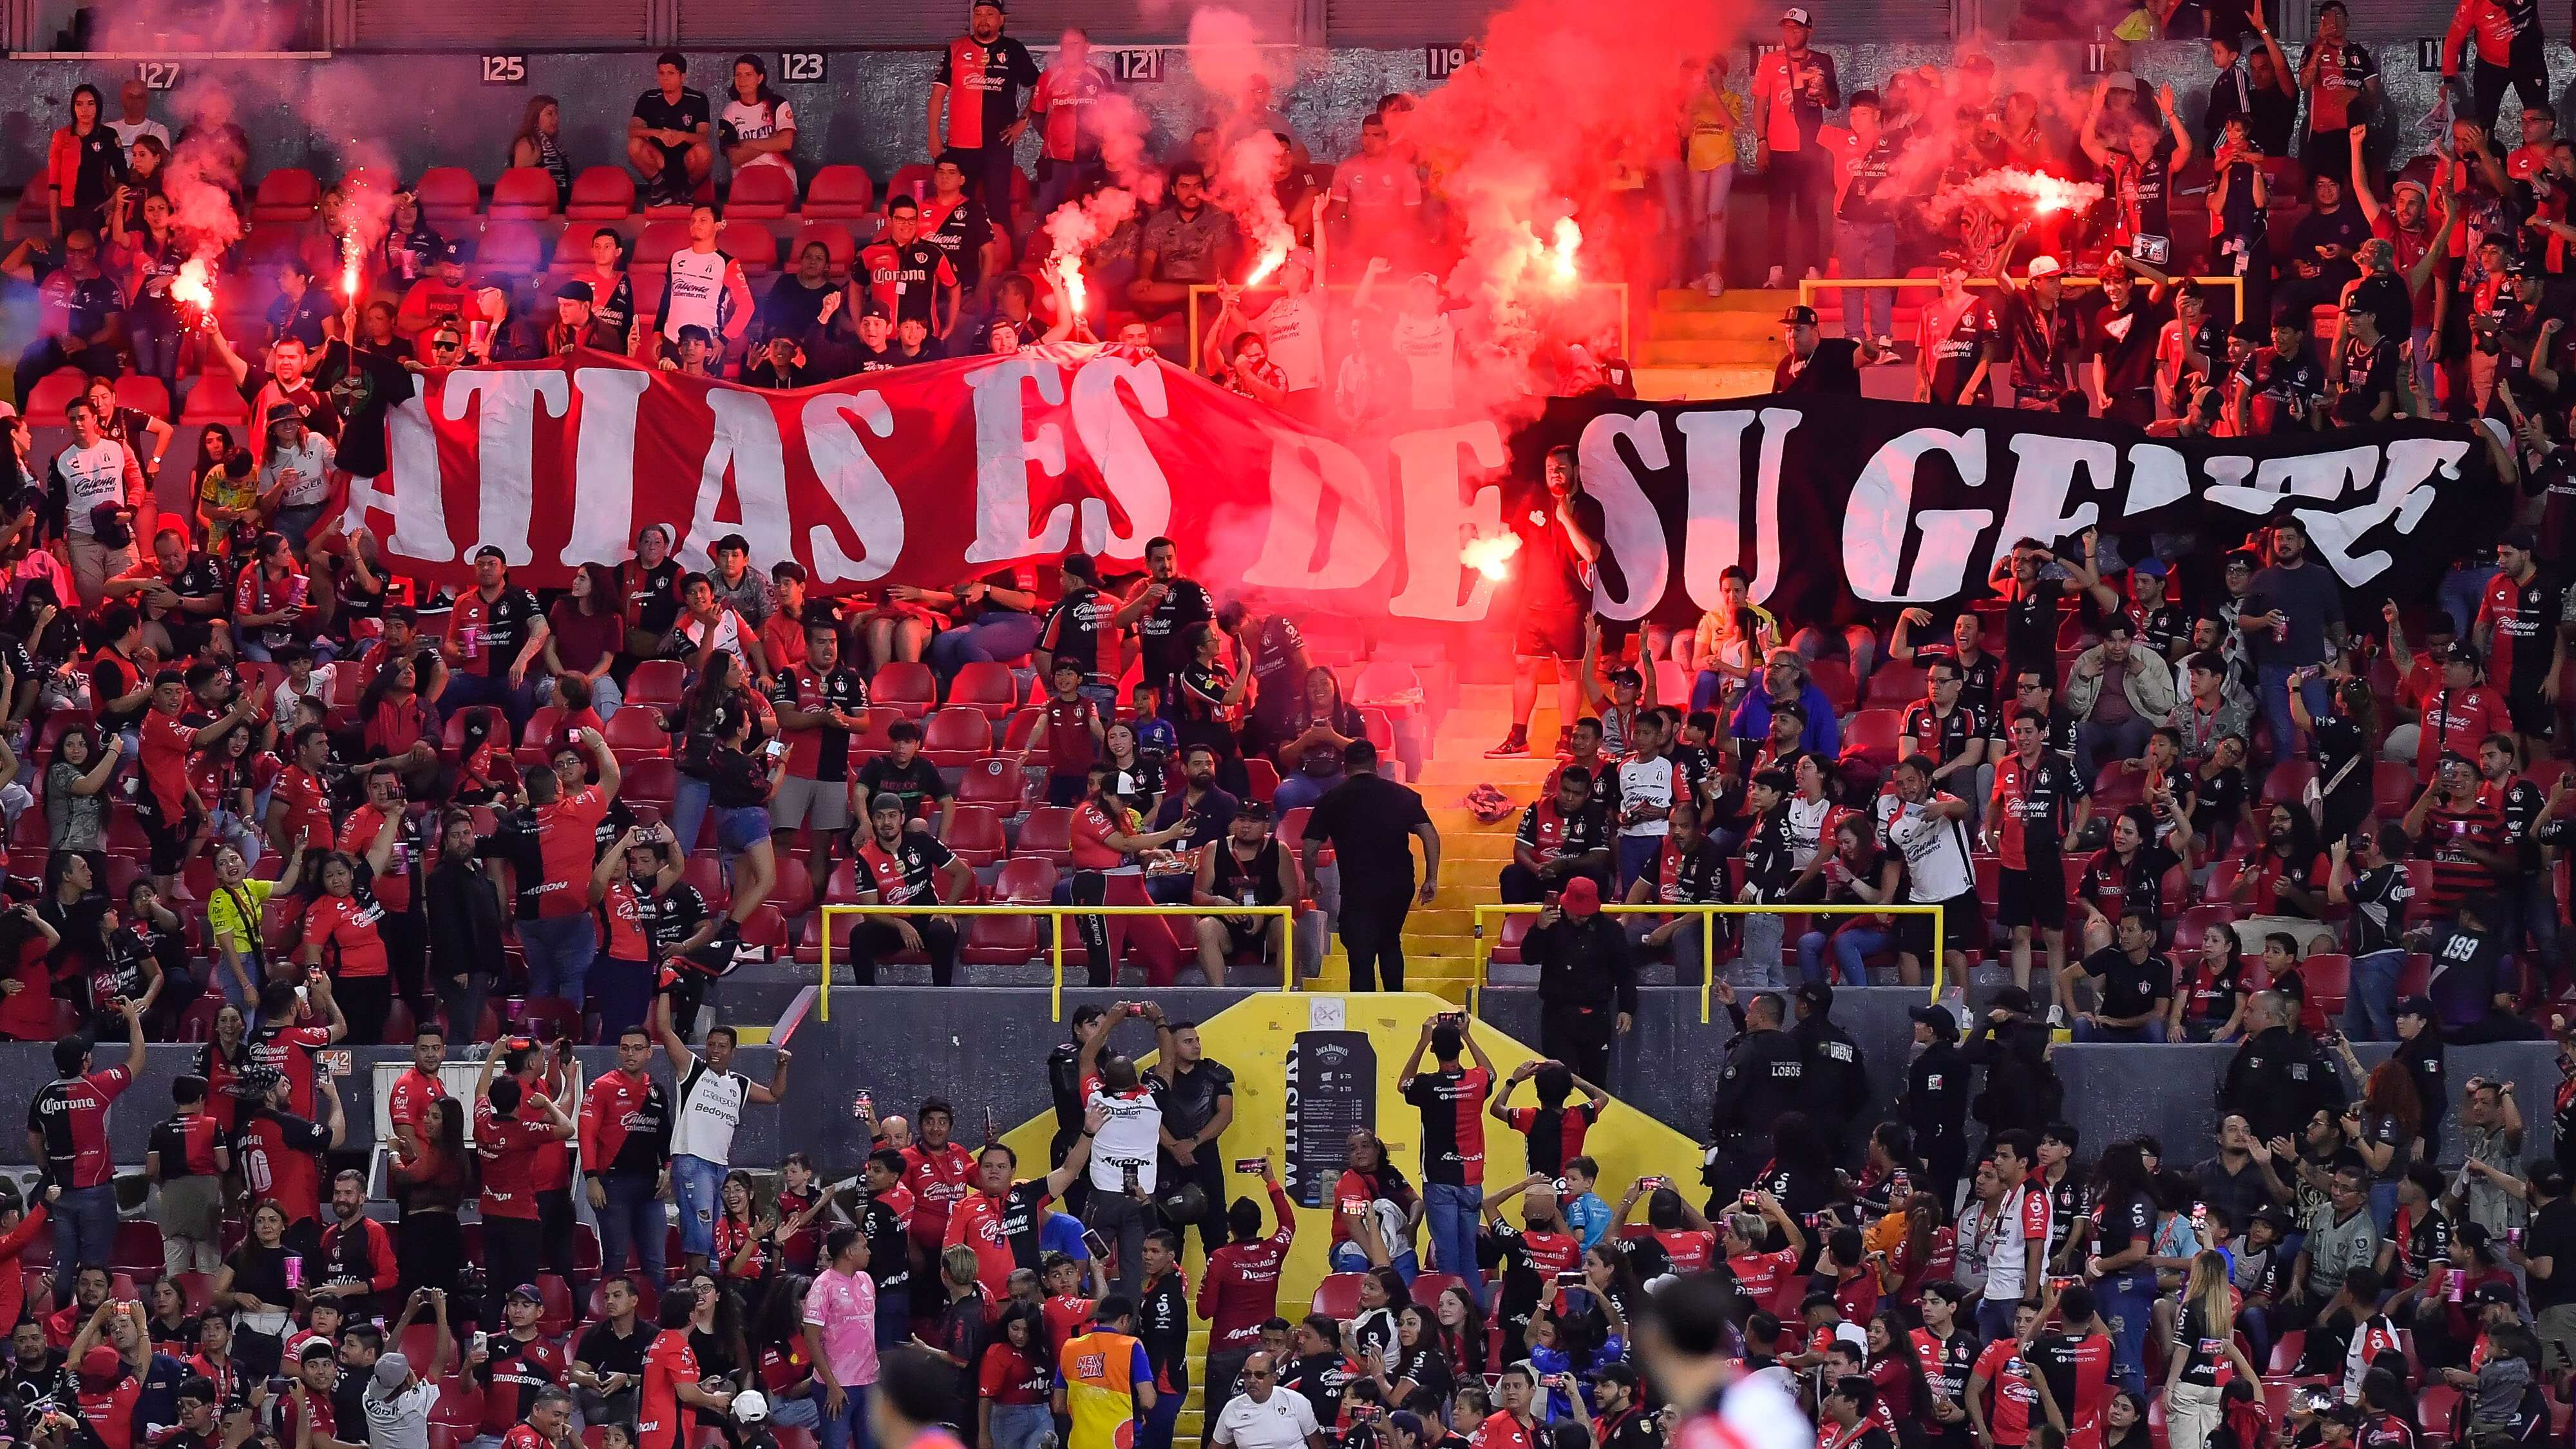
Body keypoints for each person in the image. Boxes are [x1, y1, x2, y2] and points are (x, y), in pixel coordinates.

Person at [656, 1002, 792, 1276]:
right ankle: (697, 1290)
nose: (715, 1051)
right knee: (700, 1232)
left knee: (718, 1234)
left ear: (733, 1051)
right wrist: (665, 989)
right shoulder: (692, 1070)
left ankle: (713, 1292)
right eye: (711, 1045)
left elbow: (775, 1094)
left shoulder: (739, 1084)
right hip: (693, 1161)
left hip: (720, 1167)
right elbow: (663, 1029)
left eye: (722, 1046)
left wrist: (781, 1066)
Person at [1490, 446, 1601, 759]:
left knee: (1568, 672)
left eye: (1561, 468)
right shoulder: (1533, 500)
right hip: (1532, 604)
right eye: (1550, 467)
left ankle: (1566, 739)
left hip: (1569, 606)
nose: (1555, 473)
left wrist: (1565, 518)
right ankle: (1517, 737)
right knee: (1524, 666)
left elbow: (1591, 553)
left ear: (1576, 471)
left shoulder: (1588, 508)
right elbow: (1513, 539)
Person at [1300, 741, 1437, 992]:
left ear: (1345, 766)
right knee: (1390, 942)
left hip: (1358, 888)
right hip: (1399, 885)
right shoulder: (1404, 795)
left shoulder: (1331, 799)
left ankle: (1364, 1018)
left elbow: (1310, 847)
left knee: (1361, 956)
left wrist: (1310, 879)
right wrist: (1431, 878)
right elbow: (1430, 836)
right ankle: (1396, 1006)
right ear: (1377, 763)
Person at [28, 1003, 143, 1276]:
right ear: (86, 1061)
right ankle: (91, 1318)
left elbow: (34, 1140)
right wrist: (133, 1020)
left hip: (60, 1192)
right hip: (96, 1189)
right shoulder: (100, 1085)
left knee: (64, 1267)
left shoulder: (43, 1095)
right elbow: (137, 1059)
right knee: (95, 1269)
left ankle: (61, 1315)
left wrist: (48, 1169)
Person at [1398, 1013, 1497, 1296]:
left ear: (1433, 1050)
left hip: (1440, 1180)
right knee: (1469, 1255)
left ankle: (1452, 1316)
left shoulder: (1427, 1085)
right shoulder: (1478, 1081)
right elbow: (1491, 1072)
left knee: (1447, 1256)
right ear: (1461, 1048)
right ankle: (1476, 1314)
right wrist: (1467, 1034)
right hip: (1472, 1178)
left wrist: (1421, 1040)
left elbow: (1403, 1082)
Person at [928, 0, 1041, 233]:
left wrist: (1024, 121)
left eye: (990, 14)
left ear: (1001, 20)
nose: (983, 19)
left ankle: (1003, 263)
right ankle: (957, 257)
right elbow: (937, 95)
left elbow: (1038, 88)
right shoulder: (956, 48)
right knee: (957, 204)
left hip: (998, 143)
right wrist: (933, 135)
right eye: (978, 14)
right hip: (960, 144)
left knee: (998, 206)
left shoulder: (1014, 50)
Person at [1751, 6, 1839, 289]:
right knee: (1777, 211)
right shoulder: (1769, 62)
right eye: (1787, 28)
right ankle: (1775, 270)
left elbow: (1834, 102)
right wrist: (1761, 141)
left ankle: (1812, 268)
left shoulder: (1822, 61)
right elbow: (1760, 105)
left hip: (1810, 148)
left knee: (1808, 210)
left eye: (1797, 28)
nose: (1791, 33)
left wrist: (1822, 91)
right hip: (1778, 147)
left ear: (1808, 32)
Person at [1517, 876, 1636, 1083]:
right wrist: (1539, 929)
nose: (1579, 917)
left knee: (1595, 1081)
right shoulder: (1551, 924)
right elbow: (1528, 957)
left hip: (1596, 1014)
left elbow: (1625, 973)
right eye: (1575, 913)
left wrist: (1627, 1008)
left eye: (1585, 914)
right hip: (1558, 1014)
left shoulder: (1611, 931)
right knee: (1557, 1081)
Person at [804, 1227, 878, 1449]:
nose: (869, 1252)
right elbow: (811, 1339)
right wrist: (832, 1386)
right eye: (864, 1247)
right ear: (849, 1252)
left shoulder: (867, 1280)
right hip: (838, 1387)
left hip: (869, 1382)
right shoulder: (822, 1287)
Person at [1056, 1297, 1155, 1449]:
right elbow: (1148, 1401)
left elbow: (1058, 1405)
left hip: (1080, 1443)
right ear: (1124, 1320)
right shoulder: (1131, 1347)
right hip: (1121, 1443)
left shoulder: (1070, 1348)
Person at [629, 52, 714, 208]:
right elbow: (633, 130)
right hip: (659, 159)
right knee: (634, 145)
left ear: (682, 77)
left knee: (704, 151)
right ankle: (660, 187)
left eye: (671, 73)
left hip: (687, 161)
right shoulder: (648, 98)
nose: (665, 78)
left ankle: (688, 189)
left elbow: (703, 136)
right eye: (661, 73)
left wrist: (682, 136)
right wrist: (658, 133)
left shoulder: (697, 99)